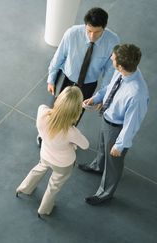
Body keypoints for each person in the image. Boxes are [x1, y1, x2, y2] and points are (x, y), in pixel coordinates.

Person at [38, 7, 120, 147]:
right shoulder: (72, 33)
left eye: (97, 32)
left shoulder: (113, 41)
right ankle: (44, 135)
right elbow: (59, 57)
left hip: (88, 84)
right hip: (66, 78)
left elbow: (109, 72)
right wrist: (51, 79)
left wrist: (102, 96)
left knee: (76, 113)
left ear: (104, 28)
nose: (92, 36)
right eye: (89, 31)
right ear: (85, 25)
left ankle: (67, 138)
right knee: (55, 108)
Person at [80, 44, 149, 205]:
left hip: (117, 129)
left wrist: (120, 145)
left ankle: (105, 192)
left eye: (113, 58)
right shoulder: (122, 73)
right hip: (107, 118)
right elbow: (109, 89)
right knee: (102, 147)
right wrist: (96, 98)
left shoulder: (136, 94)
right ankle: (98, 166)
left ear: (121, 66)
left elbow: (132, 124)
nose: (111, 57)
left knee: (113, 163)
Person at [16, 86, 89, 217]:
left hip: (45, 154)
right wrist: (72, 144)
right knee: (54, 186)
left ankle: (24, 189)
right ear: (76, 111)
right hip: (63, 164)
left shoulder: (42, 111)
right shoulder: (72, 132)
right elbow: (85, 145)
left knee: (39, 169)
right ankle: (43, 209)